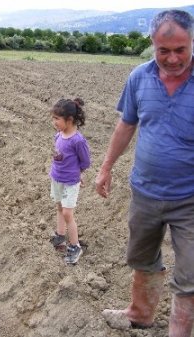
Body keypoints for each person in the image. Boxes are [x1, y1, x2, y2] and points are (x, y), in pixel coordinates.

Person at [95, 10, 194, 336]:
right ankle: (140, 315)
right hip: (145, 193)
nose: (173, 58)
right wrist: (106, 167)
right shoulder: (139, 77)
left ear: (191, 42)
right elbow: (127, 124)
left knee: (191, 274)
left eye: (181, 49)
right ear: (152, 44)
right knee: (142, 258)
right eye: (163, 50)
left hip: (189, 199)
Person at [48, 98, 91, 265]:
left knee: (67, 213)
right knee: (59, 207)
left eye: (57, 119)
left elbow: (85, 161)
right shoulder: (59, 134)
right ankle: (60, 235)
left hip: (70, 181)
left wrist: (78, 174)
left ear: (70, 120)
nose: (54, 122)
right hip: (56, 178)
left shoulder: (77, 140)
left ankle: (75, 246)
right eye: (53, 118)